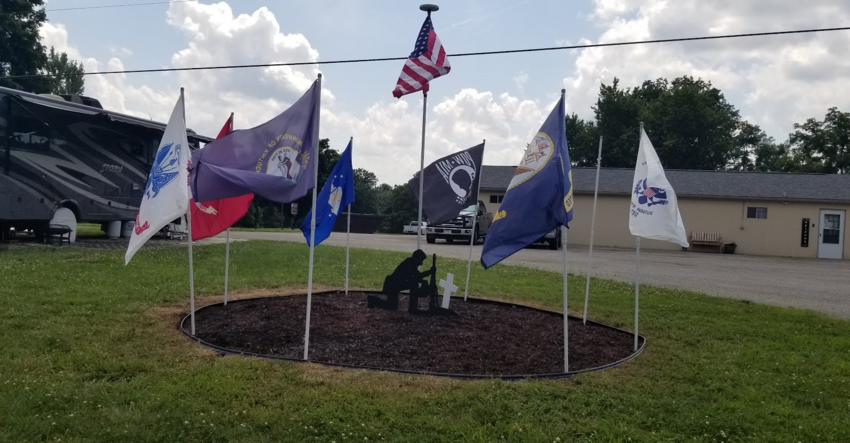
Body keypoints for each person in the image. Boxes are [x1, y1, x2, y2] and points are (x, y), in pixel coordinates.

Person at [368, 249, 435, 312]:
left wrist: (425, 279)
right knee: (392, 306)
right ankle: (373, 300)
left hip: (396, 283)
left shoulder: (411, 263)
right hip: (393, 284)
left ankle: (413, 307)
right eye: (421, 260)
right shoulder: (409, 263)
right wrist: (429, 272)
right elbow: (417, 276)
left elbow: (415, 277)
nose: (421, 263)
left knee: (414, 284)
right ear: (417, 258)